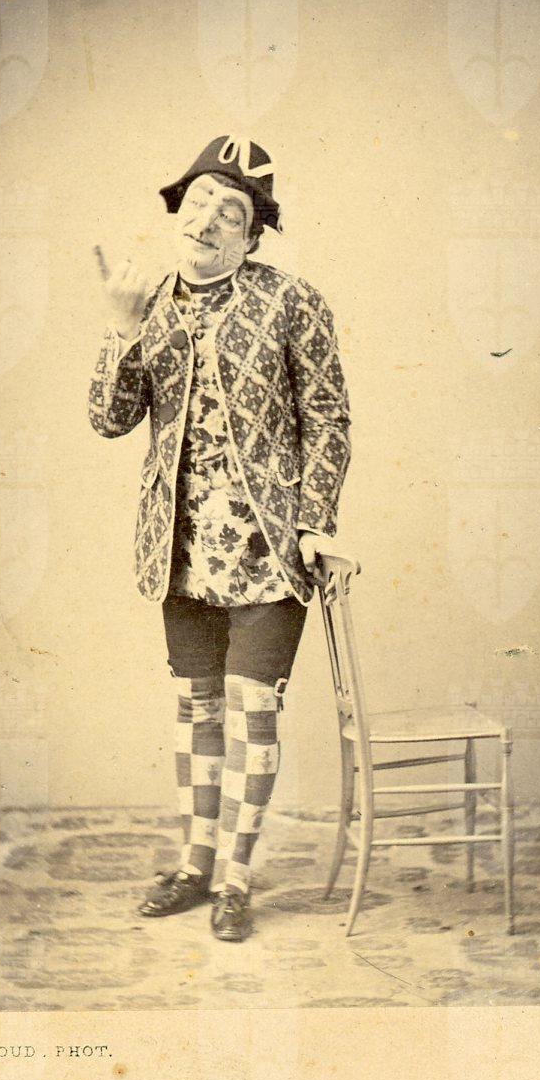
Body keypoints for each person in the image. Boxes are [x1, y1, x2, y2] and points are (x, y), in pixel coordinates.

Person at [88, 135, 351, 942]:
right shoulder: (149, 305)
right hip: (180, 548)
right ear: (179, 209)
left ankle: (236, 878)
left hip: (269, 549)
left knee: (252, 712)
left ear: (253, 235)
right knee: (196, 709)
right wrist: (119, 331)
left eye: (229, 212)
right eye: (198, 201)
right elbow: (109, 419)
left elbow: (329, 417)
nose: (207, 220)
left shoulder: (293, 300)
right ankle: (194, 866)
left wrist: (314, 522)